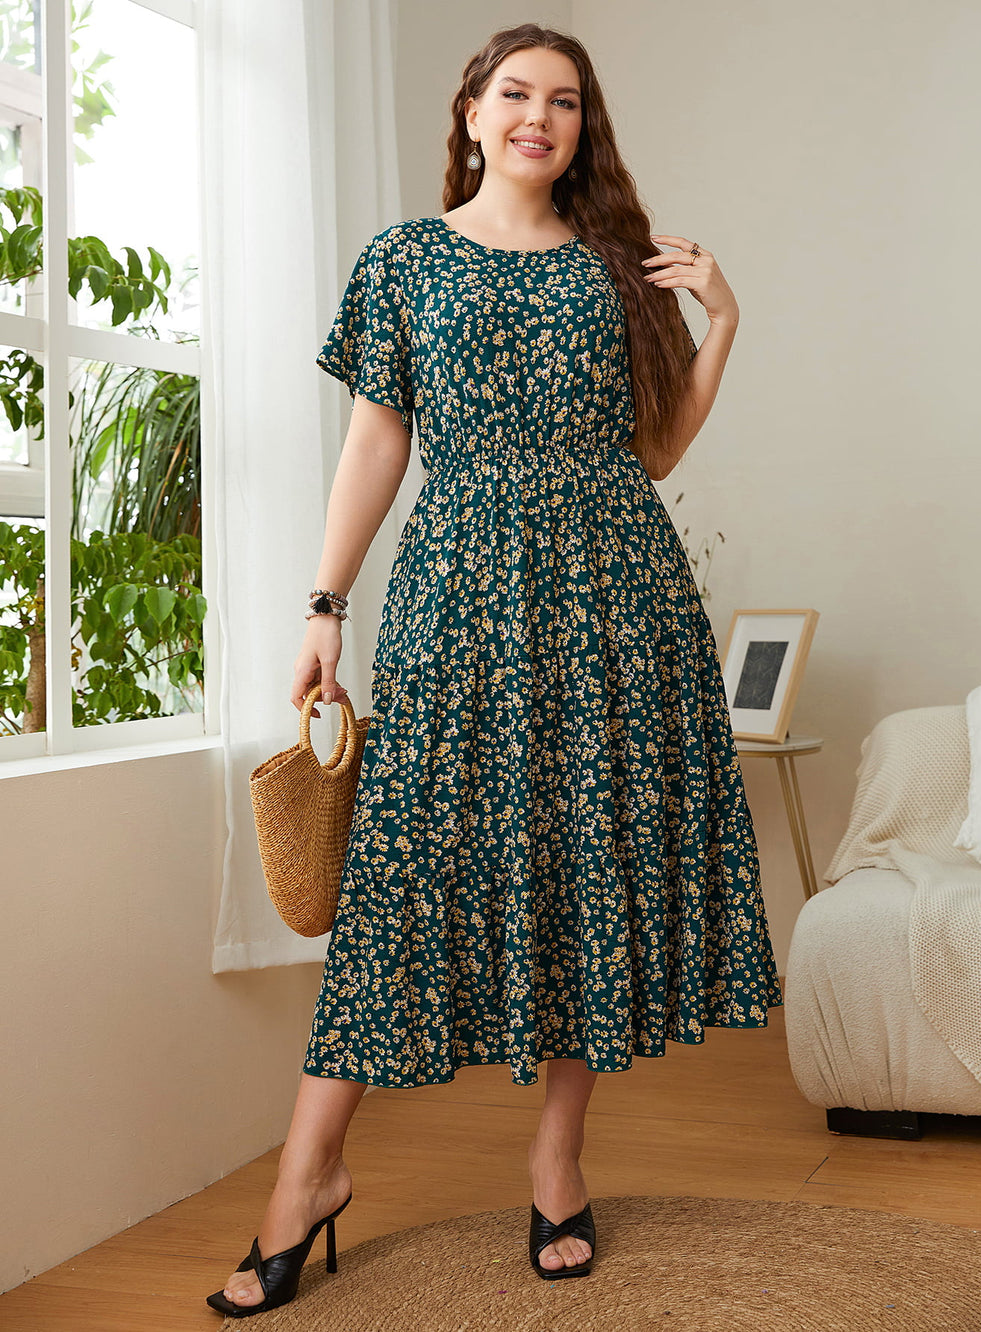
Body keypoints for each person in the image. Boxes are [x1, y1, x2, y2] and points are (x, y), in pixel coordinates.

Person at [207, 21, 782, 1318]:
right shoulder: (404, 260)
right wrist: (322, 609)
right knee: (398, 881)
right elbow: (374, 446)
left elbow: (656, 453)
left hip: (616, 598)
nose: (539, 116)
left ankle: (558, 1162)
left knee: (589, 871)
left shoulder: (611, 266)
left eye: (564, 101)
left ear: (583, 127)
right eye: (515, 93)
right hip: (457, 591)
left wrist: (724, 320)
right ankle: (310, 1178)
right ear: (470, 113)